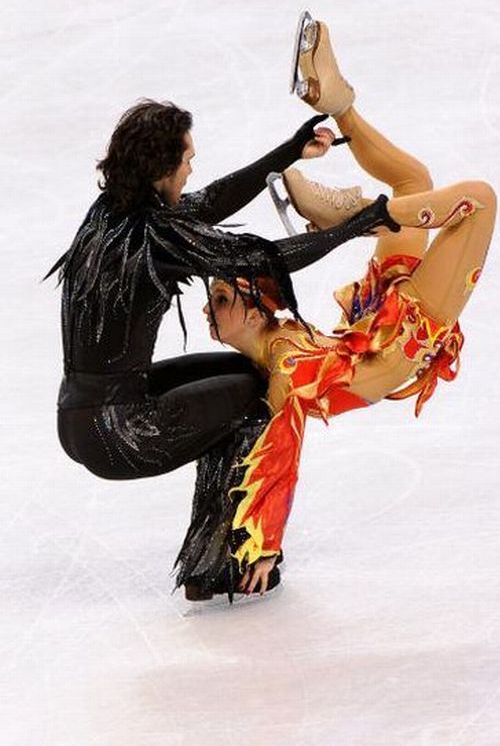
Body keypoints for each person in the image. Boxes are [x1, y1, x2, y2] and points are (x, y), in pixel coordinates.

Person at [47, 98, 401, 595]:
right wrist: (354, 227)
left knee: (256, 375)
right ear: (160, 167)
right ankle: (222, 564)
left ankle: (213, 559)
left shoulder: (114, 212)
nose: (192, 167)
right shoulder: (152, 236)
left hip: (88, 412)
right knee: (258, 400)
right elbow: (264, 257)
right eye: (186, 158)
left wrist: (288, 153)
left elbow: (209, 201)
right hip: (119, 429)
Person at [198, 16, 496, 597]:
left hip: (378, 326)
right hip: (398, 340)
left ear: (259, 310)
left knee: (420, 182)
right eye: (216, 297)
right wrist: (266, 546)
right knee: (475, 200)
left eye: (222, 297)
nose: (210, 311)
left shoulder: (281, 355)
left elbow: (282, 451)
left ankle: (337, 104)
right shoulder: (284, 364)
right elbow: (281, 457)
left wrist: (268, 543)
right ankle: (368, 214)